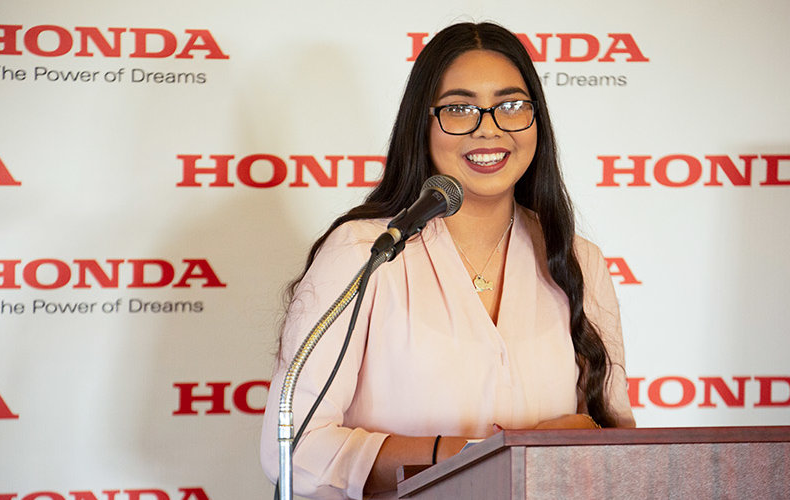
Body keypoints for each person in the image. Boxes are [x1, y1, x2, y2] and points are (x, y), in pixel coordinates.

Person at [260, 21, 636, 499]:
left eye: (511, 105)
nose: (489, 128)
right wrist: (480, 452)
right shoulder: (365, 252)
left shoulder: (580, 260)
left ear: (536, 119)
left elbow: (620, 447)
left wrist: (573, 439)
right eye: (460, 109)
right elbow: (291, 450)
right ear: (423, 122)